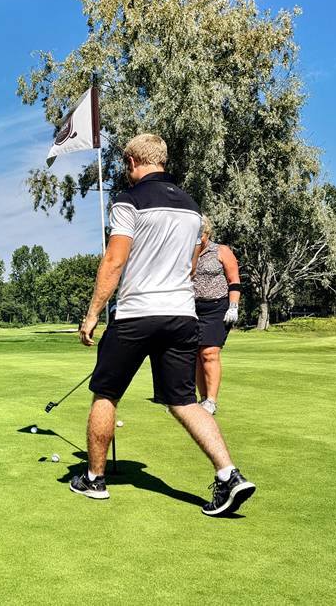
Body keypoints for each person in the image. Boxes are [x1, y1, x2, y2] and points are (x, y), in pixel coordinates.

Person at [68, 134, 255, 517]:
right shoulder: (191, 207)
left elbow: (114, 261)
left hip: (137, 313)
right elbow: (188, 266)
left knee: (106, 393)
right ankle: (229, 474)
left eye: (126, 162)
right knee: (184, 401)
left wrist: (91, 315)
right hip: (182, 315)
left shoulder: (128, 201)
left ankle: (94, 479)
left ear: (135, 161)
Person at [193, 215, 242, 415]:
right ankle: (202, 399)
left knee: (209, 352)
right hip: (192, 308)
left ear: (207, 232)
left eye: (200, 234)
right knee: (196, 354)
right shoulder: (188, 253)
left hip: (217, 308)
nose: (198, 238)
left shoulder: (221, 251)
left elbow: (234, 280)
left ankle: (212, 401)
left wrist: (233, 306)